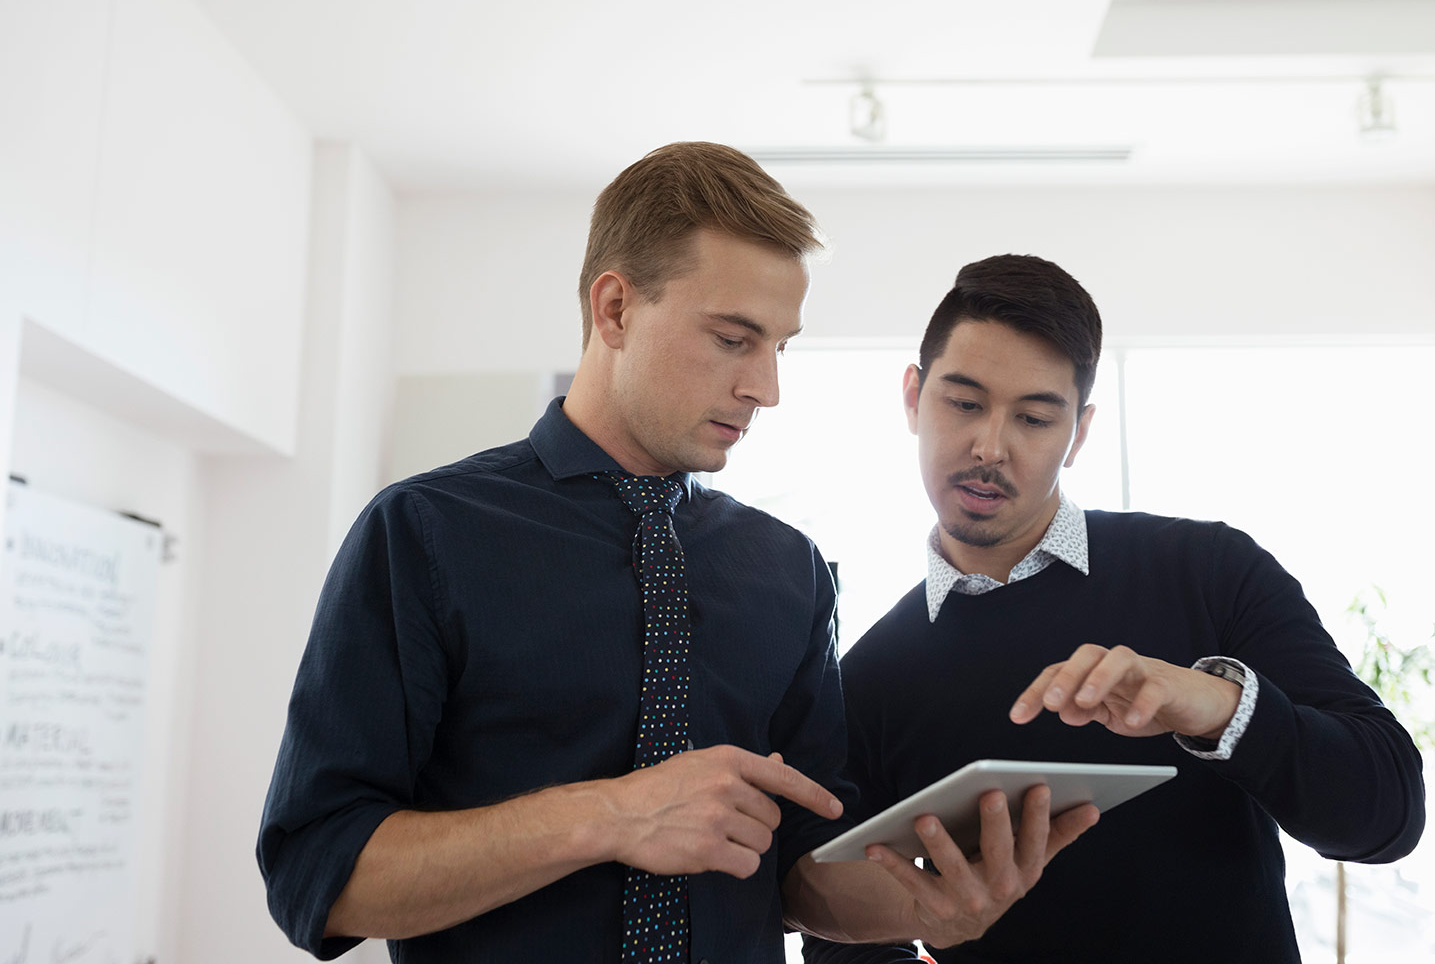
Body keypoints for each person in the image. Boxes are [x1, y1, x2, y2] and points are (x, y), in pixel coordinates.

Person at [256, 146, 1097, 963]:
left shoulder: (789, 569)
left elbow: (801, 874)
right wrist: (611, 817)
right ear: (615, 308)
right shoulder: (424, 532)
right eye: (734, 339)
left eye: (780, 346)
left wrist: (928, 911)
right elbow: (316, 874)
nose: (767, 388)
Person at [803, 254, 1426, 964]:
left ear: (1080, 433)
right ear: (913, 398)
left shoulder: (1211, 572)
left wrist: (1220, 708)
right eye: (964, 403)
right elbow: (839, 934)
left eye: (1035, 418)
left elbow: (1387, 815)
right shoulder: (868, 681)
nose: (989, 447)